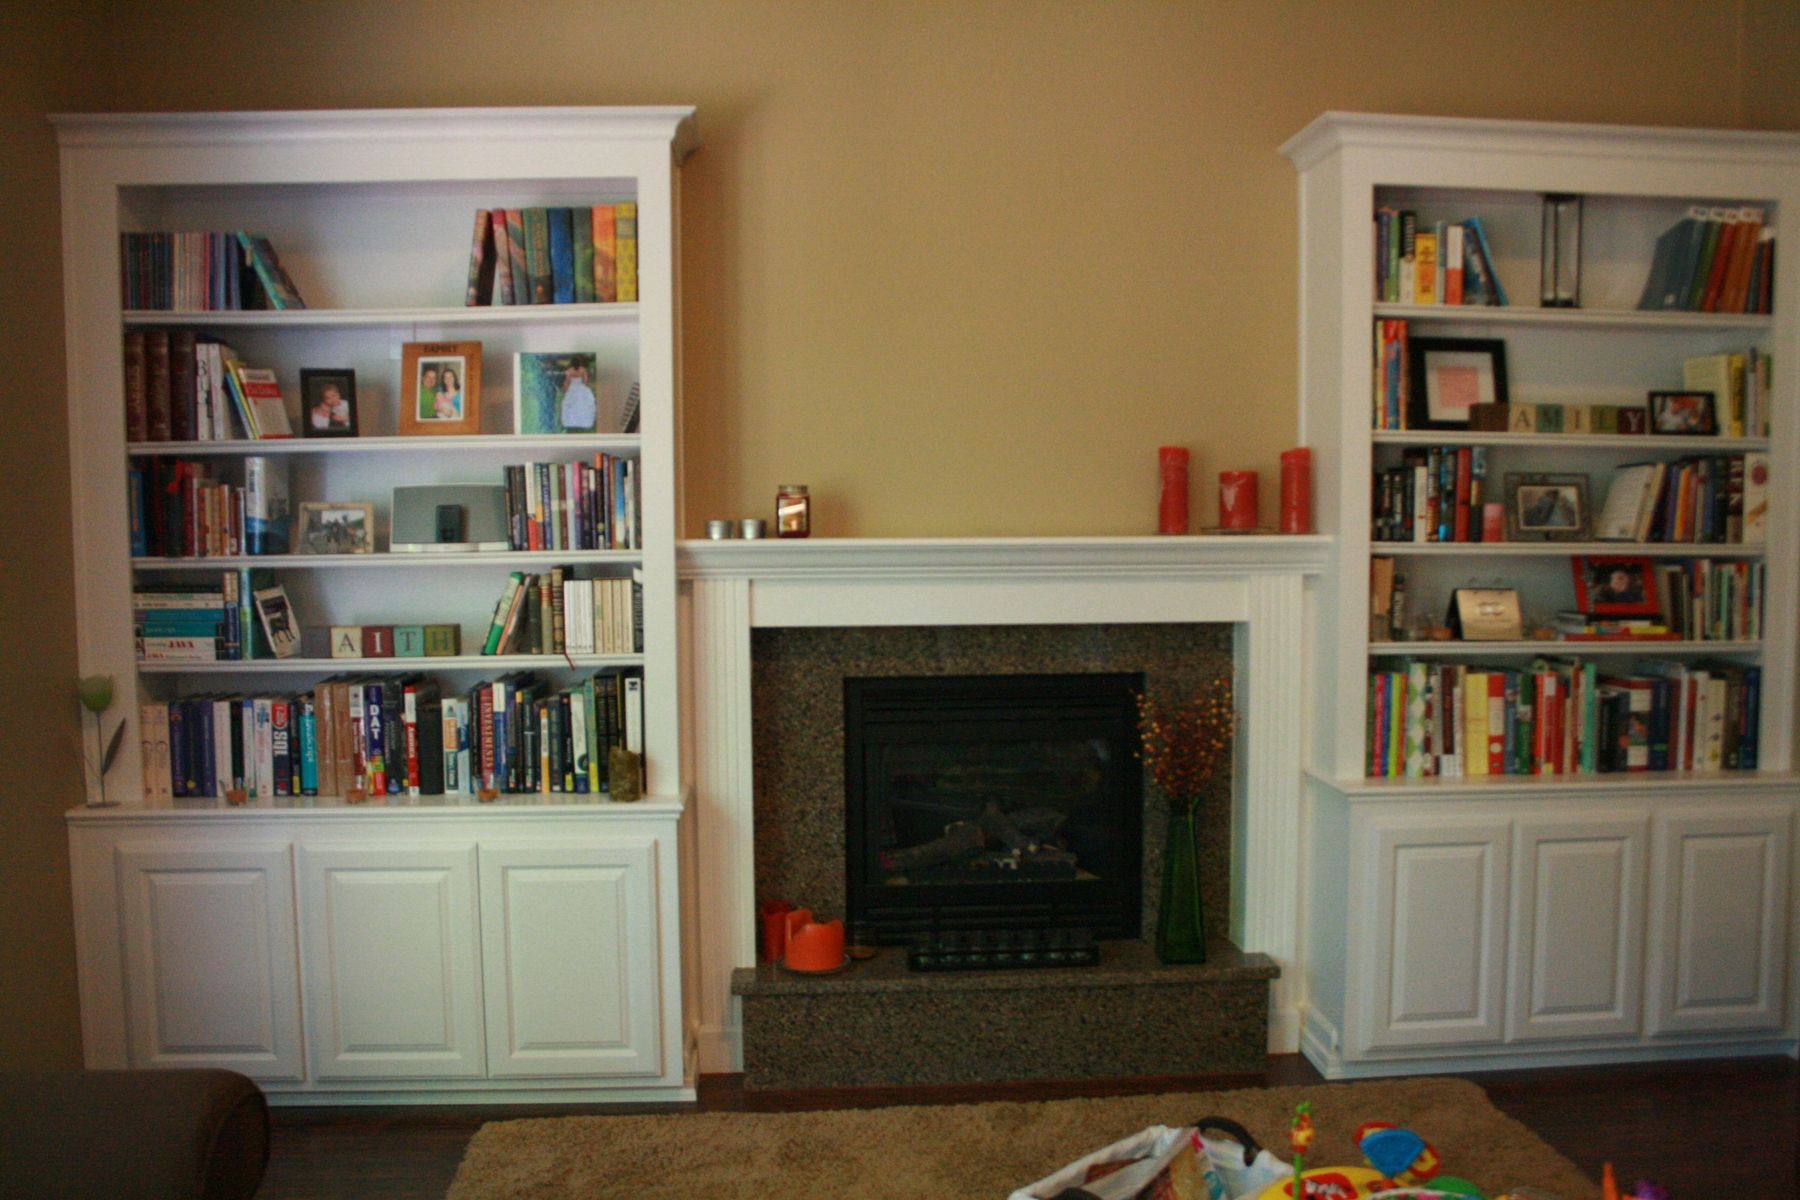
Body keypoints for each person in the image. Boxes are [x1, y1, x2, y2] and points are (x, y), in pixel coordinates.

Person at [559, 362, 597, 431]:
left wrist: (564, 389)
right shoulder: (583, 370)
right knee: (582, 404)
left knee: (572, 405)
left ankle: (571, 422)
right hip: (580, 387)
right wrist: (583, 384)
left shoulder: (569, 370)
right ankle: (583, 422)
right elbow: (585, 381)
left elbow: (567, 381)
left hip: (572, 388)